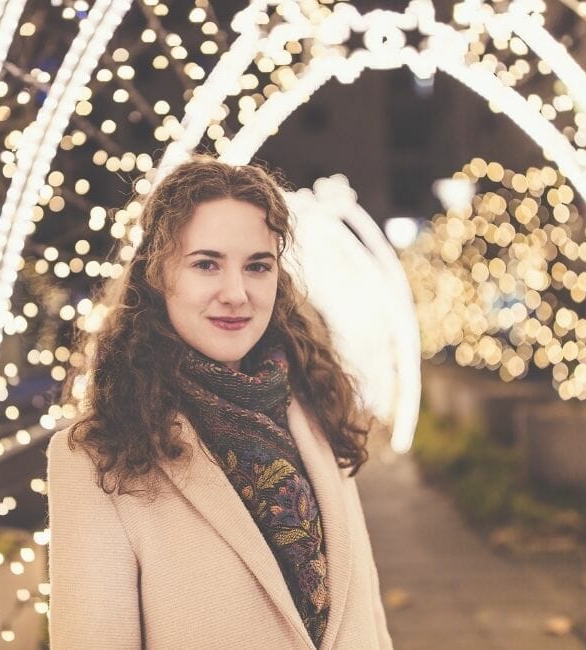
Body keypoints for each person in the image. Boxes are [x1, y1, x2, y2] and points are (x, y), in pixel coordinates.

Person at [46, 155, 393, 649]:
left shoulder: (315, 408)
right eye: (206, 264)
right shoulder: (99, 455)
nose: (236, 293)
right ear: (159, 275)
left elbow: (368, 619)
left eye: (257, 266)